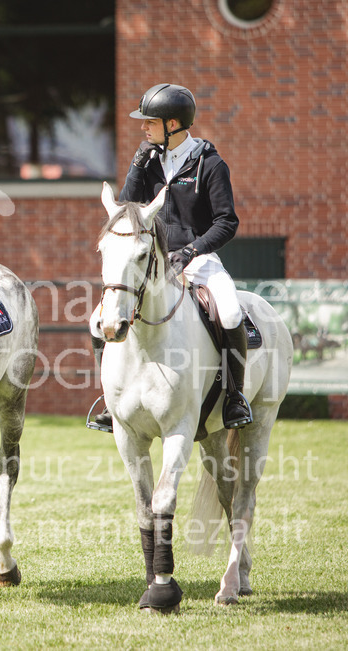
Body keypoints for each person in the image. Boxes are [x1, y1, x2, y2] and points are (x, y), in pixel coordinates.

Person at [88, 83, 253, 433]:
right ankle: (110, 399)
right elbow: (126, 211)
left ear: (173, 124)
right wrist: (135, 167)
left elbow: (227, 222)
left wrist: (192, 250)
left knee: (230, 310)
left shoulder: (210, 165)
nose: (143, 128)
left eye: (150, 122)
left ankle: (235, 396)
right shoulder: (148, 162)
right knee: (99, 317)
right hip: (152, 261)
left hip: (198, 258)